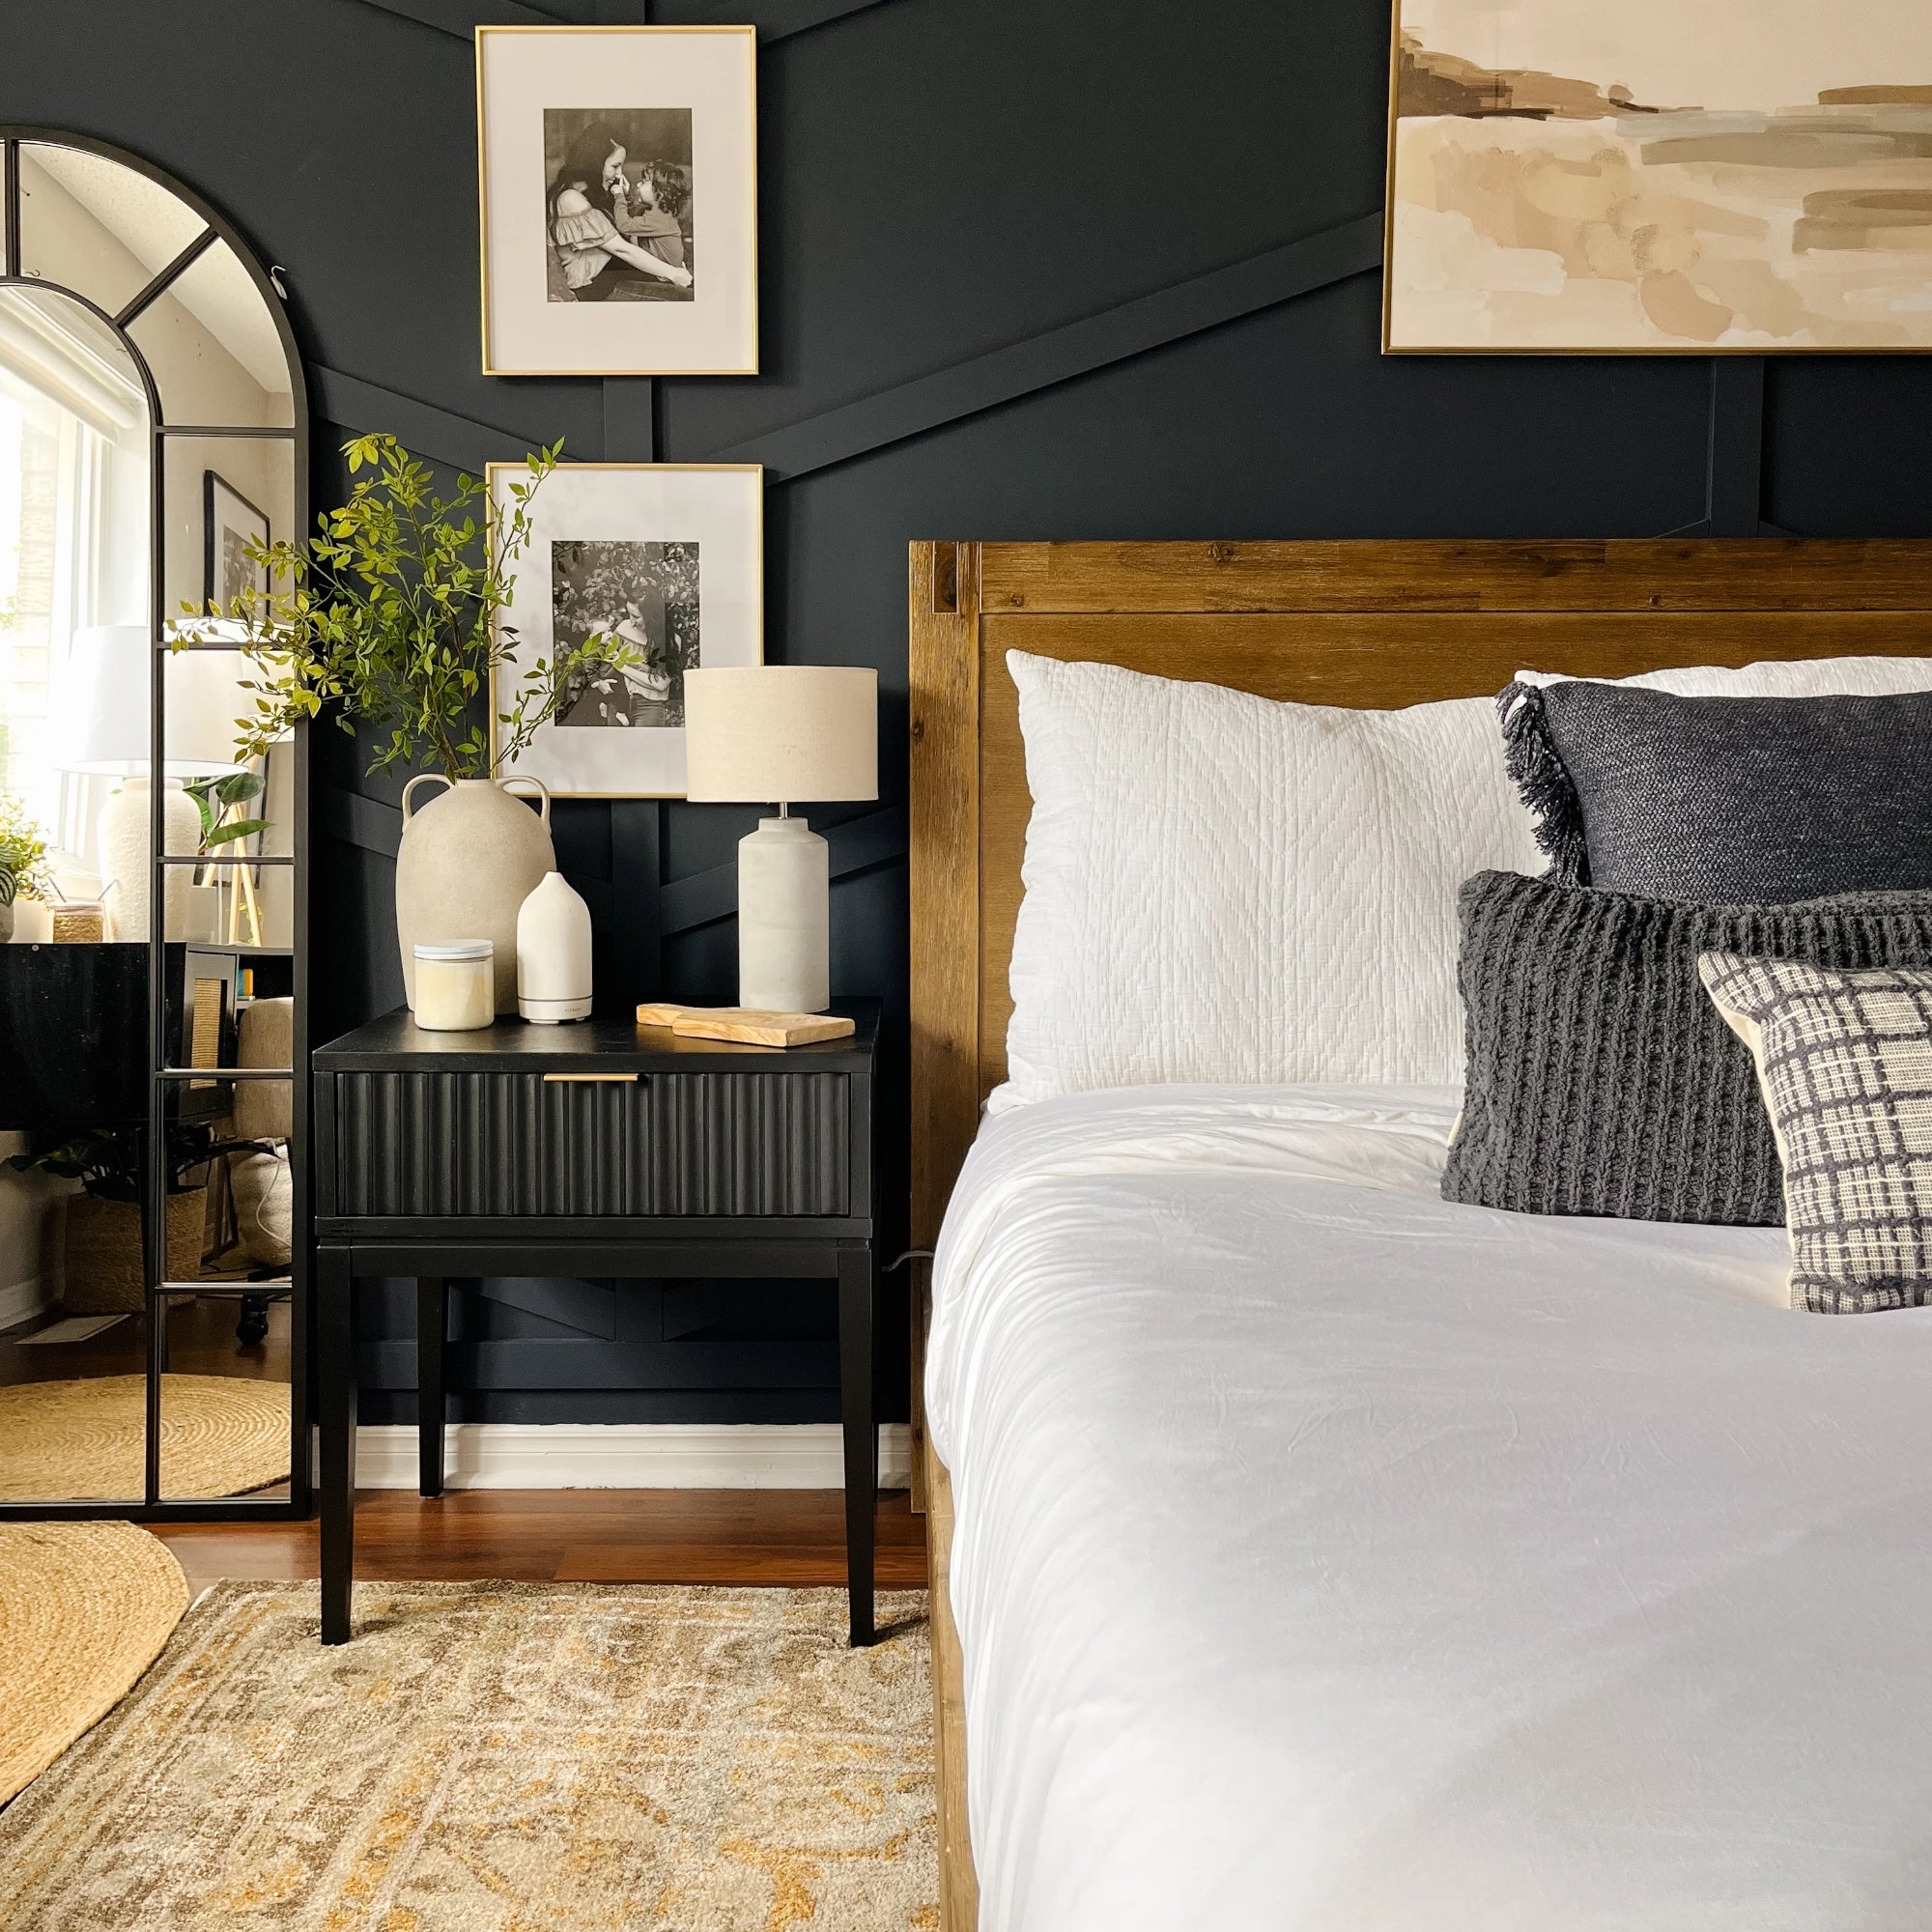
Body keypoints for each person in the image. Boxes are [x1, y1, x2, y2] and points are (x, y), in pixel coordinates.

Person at [547, 128, 692, 300]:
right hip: (600, 288)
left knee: (690, 291)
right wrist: (673, 274)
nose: (619, 174)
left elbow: (631, 234)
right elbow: (621, 249)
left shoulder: (594, 191)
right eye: (615, 166)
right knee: (685, 297)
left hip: (620, 276)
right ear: (594, 163)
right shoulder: (570, 198)